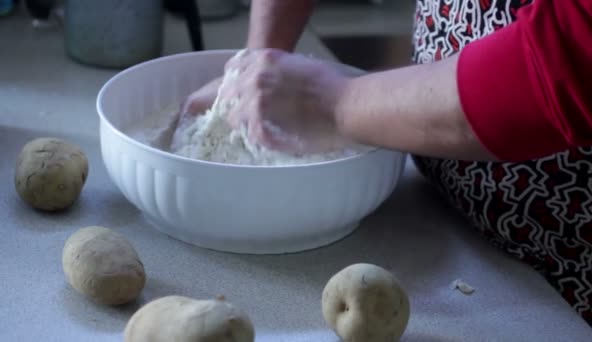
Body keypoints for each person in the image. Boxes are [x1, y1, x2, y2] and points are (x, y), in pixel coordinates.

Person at [183, 0, 592, 324]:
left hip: (567, 269)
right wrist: (260, 63)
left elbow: (571, 52)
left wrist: (331, 104)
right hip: (436, 216)